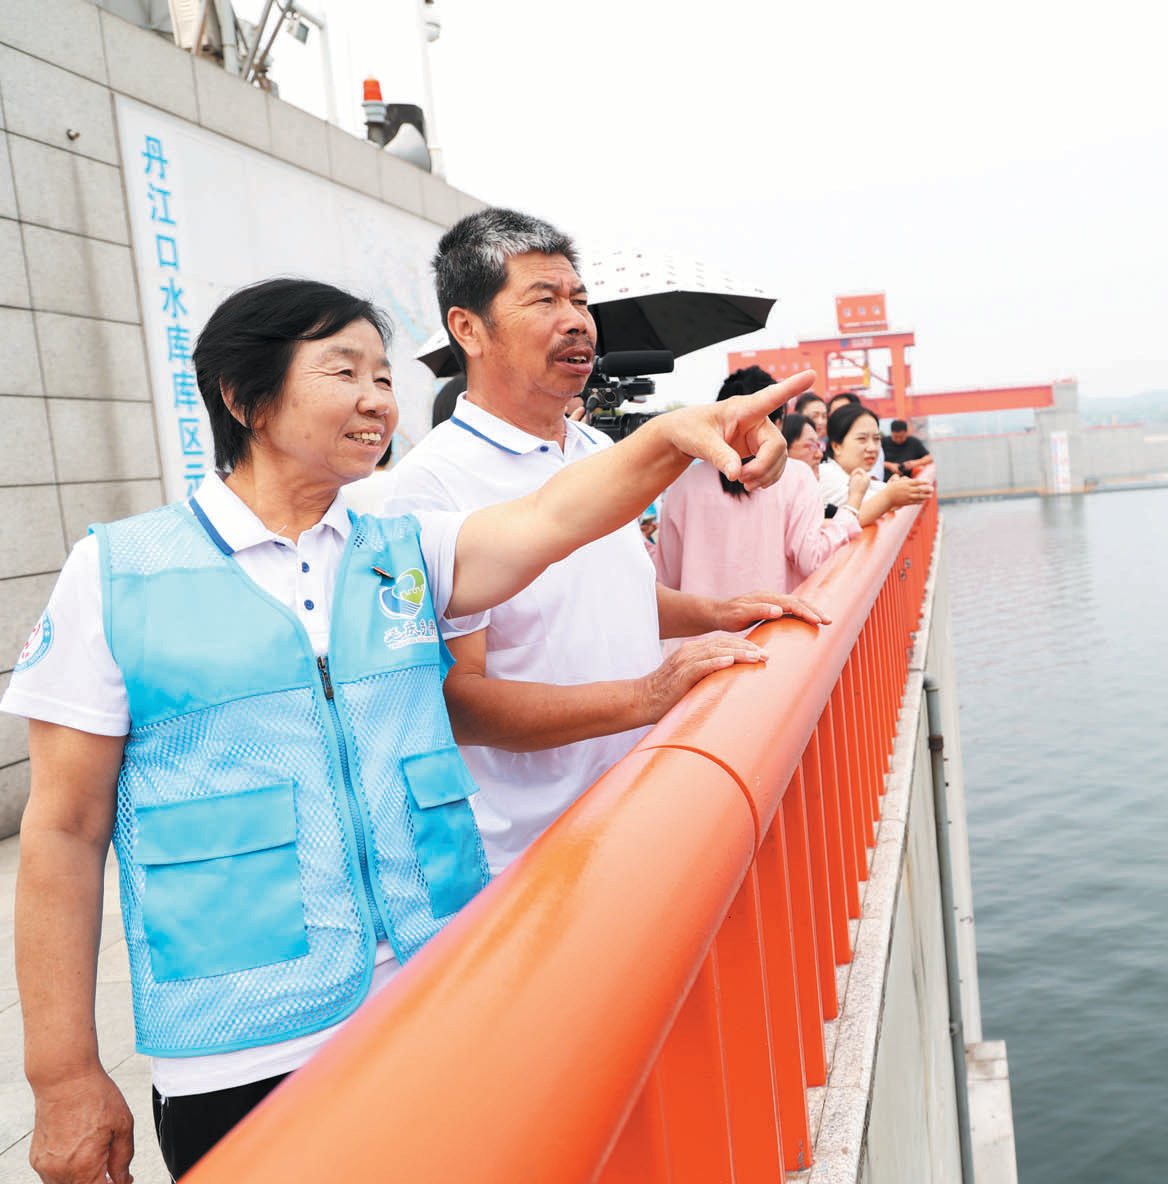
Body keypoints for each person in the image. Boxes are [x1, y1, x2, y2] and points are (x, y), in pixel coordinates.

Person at [3, 277, 803, 1183]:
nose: (377, 400)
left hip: (442, 992)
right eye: (343, 372)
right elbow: (64, 830)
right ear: (243, 397)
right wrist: (63, 1074)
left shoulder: (401, 550)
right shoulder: (117, 574)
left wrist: (671, 435)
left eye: (384, 377)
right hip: (245, 1046)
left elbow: (551, 518)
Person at [385, 208, 826, 876]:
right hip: (535, 852)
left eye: (580, 299)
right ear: (467, 328)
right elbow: (459, 702)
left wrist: (725, 611)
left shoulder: (596, 448)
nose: (577, 320)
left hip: (643, 801)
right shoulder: (429, 483)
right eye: (544, 300)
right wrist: (647, 696)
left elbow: (615, 594)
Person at [657, 371, 864, 610]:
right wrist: (851, 509)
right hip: (773, 627)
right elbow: (811, 558)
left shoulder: (685, 482)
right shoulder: (797, 475)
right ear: (777, 424)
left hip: (701, 631)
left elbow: (667, 577)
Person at [818, 402, 933, 527]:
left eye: (876, 439)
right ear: (836, 446)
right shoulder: (825, 475)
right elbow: (859, 511)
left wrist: (893, 490)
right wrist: (891, 495)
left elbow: (879, 495)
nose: (872, 448)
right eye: (862, 439)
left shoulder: (855, 476)